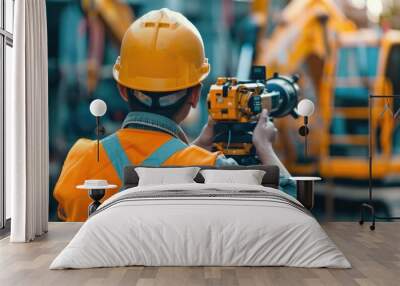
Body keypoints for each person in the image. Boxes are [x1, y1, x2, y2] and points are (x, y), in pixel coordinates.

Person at [54, 8, 294, 222]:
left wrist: (195, 146)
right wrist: (264, 147)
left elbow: (146, 170)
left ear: (123, 89)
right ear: (194, 95)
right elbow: (292, 209)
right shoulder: (215, 171)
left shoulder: (81, 158)